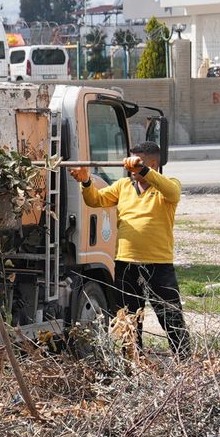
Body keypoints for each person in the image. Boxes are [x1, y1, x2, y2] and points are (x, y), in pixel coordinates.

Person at [70, 141, 190, 357]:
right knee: (129, 318)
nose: (131, 168)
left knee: (170, 316)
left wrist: (142, 170)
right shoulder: (123, 186)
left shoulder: (167, 185)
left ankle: (184, 359)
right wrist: (86, 181)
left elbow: (173, 192)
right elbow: (95, 200)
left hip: (158, 264)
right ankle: (133, 362)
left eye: (138, 163)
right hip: (126, 263)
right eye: (131, 162)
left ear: (153, 164)